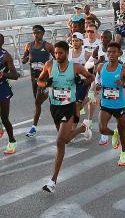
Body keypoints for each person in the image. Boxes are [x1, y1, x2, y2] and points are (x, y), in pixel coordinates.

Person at [39, 41, 94, 193]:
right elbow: (40, 81)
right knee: (66, 140)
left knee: (59, 142)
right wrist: (45, 84)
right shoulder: (49, 65)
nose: (57, 56)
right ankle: (83, 128)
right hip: (54, 107)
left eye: (60, 53)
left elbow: (91, 77)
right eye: (55, 53)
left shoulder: (75, 67)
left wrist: (81, 81)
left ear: (66, 53)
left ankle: (52, 181)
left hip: (69, 107)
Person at [95, 41, 125, 167]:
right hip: (105, 104)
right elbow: (97, 79)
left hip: (119, 106)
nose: (111, 54)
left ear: (119, 54)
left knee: (122, 131)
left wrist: (122, 85)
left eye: (114, 52)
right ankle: (114, 134)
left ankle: (123, 153)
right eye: (109, 52)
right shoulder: (101, 67)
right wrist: (97, 85)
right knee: (102, 128)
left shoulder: (124, 71)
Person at [22, 25, 54, 137]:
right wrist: (25, 59)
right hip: (34, 79)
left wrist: (50, 69)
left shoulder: (48, 46)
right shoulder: (29, 46)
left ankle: (33, 127)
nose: (36, 34)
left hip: (45, 79)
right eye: (34, 32)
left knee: (38, 102)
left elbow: (58, 59)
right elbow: (24, 59)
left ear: (43, 34)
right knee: (38, 102)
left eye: (38, 32)